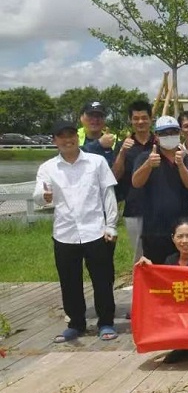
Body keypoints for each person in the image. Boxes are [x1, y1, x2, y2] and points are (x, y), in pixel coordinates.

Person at [34, 120, 119, 343]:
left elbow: (108, 194)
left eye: (71, 135)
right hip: (65, 232)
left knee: (103, 279)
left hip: (96, 230)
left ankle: (106, 322)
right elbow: (39, 196)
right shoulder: (48, 167)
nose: (67, 140)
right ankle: (76, 324)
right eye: (62, 136)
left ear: (77, 137)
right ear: (55, 141)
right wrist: (44, 197)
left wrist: (111, 225)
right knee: (69, 281)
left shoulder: (96, 162)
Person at [135, 218, 188, 363]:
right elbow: (163, 287)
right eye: (180, 236)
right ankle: (184, 346)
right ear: (173, 239)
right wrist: (150, 269)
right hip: (179, 311)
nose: (184, 241)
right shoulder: (170, 261)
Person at [132, 116, 188, 264]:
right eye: (164, 133)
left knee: (182, 270)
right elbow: (136, 183)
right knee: (157, 270)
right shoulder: (146, 157)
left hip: (182, 231)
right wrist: (148, 164)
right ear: (156, 136)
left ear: (179, 133)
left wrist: (181, 164)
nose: (169, 136)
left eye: (173, 132)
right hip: (154, 229)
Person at [111, 100, 156, 264]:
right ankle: (139, 281)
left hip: (159, 207)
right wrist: (122, 152)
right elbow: (115, 176)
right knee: (139, 255)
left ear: (151, 119)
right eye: (136, 118)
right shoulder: (123, 145)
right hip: (134, 206)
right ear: (130, 120)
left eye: (144, 118)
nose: (140, 122)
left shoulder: (159, 142)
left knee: (162, 250)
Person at [78, 101, 117, 166]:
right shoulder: (73, 136)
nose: (95, 119)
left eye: (99, 116)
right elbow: (70, 155)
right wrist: (98, 144)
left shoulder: (113, 139)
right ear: (81, 117)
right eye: (90, 115)